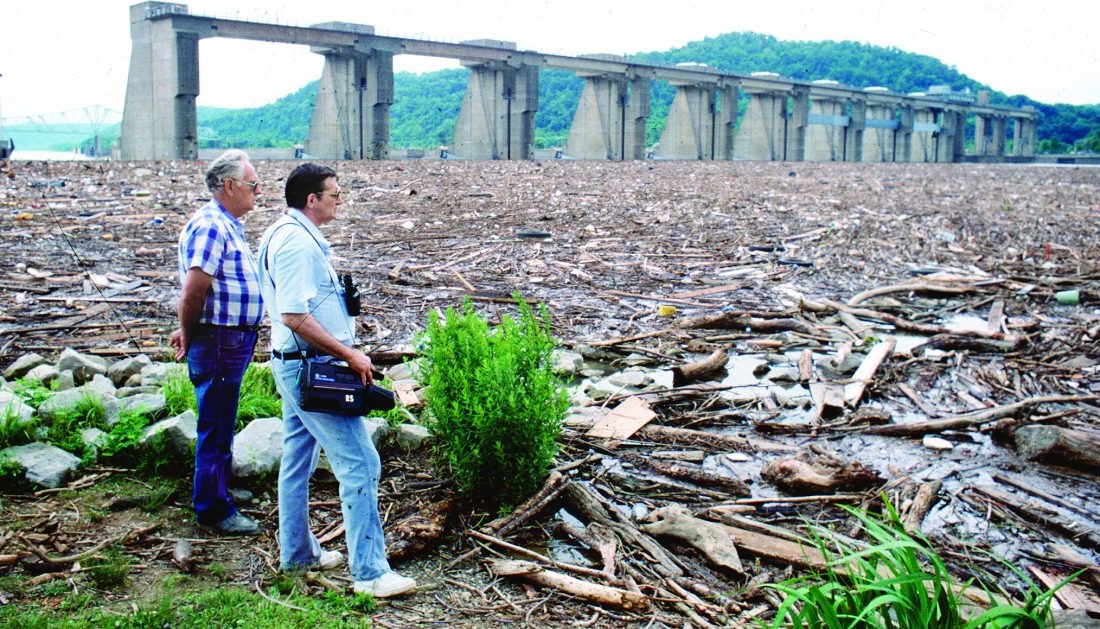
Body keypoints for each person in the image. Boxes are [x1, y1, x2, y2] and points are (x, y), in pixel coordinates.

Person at [258, 163, 416, 598]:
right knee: (361, 462)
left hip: (297, 362)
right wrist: (349, 353)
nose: (340, 199)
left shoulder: (284, 233)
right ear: (311, 200)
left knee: (298, 457)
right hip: (310, 368)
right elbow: (292, 314)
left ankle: (297, 553)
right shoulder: (295, 244)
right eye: (334, 194)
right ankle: (370, 573)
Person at [170, 149, 264, 536]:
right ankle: (212, 508)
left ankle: (218, 488)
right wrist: (190, 333)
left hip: (229, 337)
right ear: (230, 185)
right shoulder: (211, 225)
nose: (258, 193)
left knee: (223, 418)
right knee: (217, 421)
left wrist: (188, 329)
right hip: (221, 339)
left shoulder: (224, 223)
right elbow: (194, 292)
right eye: (253, 185)